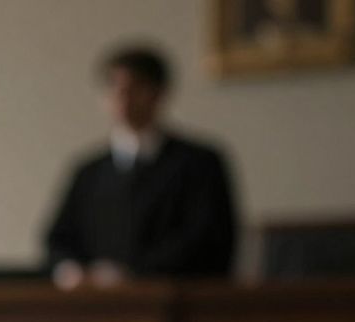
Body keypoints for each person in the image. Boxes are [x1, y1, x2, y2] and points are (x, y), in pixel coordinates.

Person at [45, 46, 237, 288]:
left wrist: (131, 274)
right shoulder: (88, 171)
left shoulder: (199, 164)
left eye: (133, 88)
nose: (121, 96)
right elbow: (58, 239)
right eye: (113, 87)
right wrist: (70, 270)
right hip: (96, 308)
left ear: (158, 93)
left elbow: (207, 240)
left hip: (173, 302)